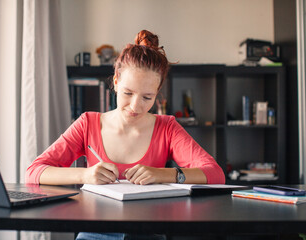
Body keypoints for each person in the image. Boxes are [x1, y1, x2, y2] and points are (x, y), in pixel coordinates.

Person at [26, 30, 225, 240]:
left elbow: (215, 174)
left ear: (157, 94)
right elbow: (34, 172)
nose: (135, 106)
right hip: (96, 231)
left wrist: (163, 174)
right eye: (128, 93)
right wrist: (85, 175)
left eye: (147, 97)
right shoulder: (88, 124)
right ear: (116, 81)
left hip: (148, 232)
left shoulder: (167, 127)